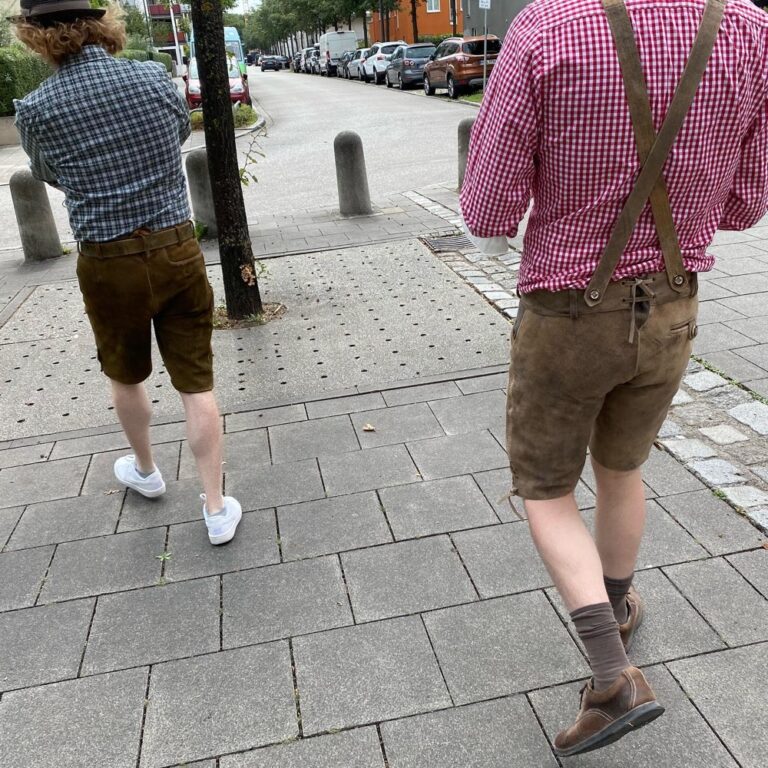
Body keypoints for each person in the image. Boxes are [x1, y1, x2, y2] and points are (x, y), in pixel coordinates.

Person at [461, 0, 767, 756]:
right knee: (623, 466)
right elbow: (746, 201)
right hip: (671, 309)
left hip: (567, 315)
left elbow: (489, 208)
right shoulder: (752, 30)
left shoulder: (548, 27)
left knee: (545, 490)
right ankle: (619, 604)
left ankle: (612, 676)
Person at [11, 0, 242, 546]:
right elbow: (177, 138)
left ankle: (146, 471)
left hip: (107, 260)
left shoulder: (37, 108)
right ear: (101, 22)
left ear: (34, 35)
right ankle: (214, 507)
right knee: (196, 381)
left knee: (124, 372)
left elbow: (48, 172)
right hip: (176, 248)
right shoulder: (152, 78)